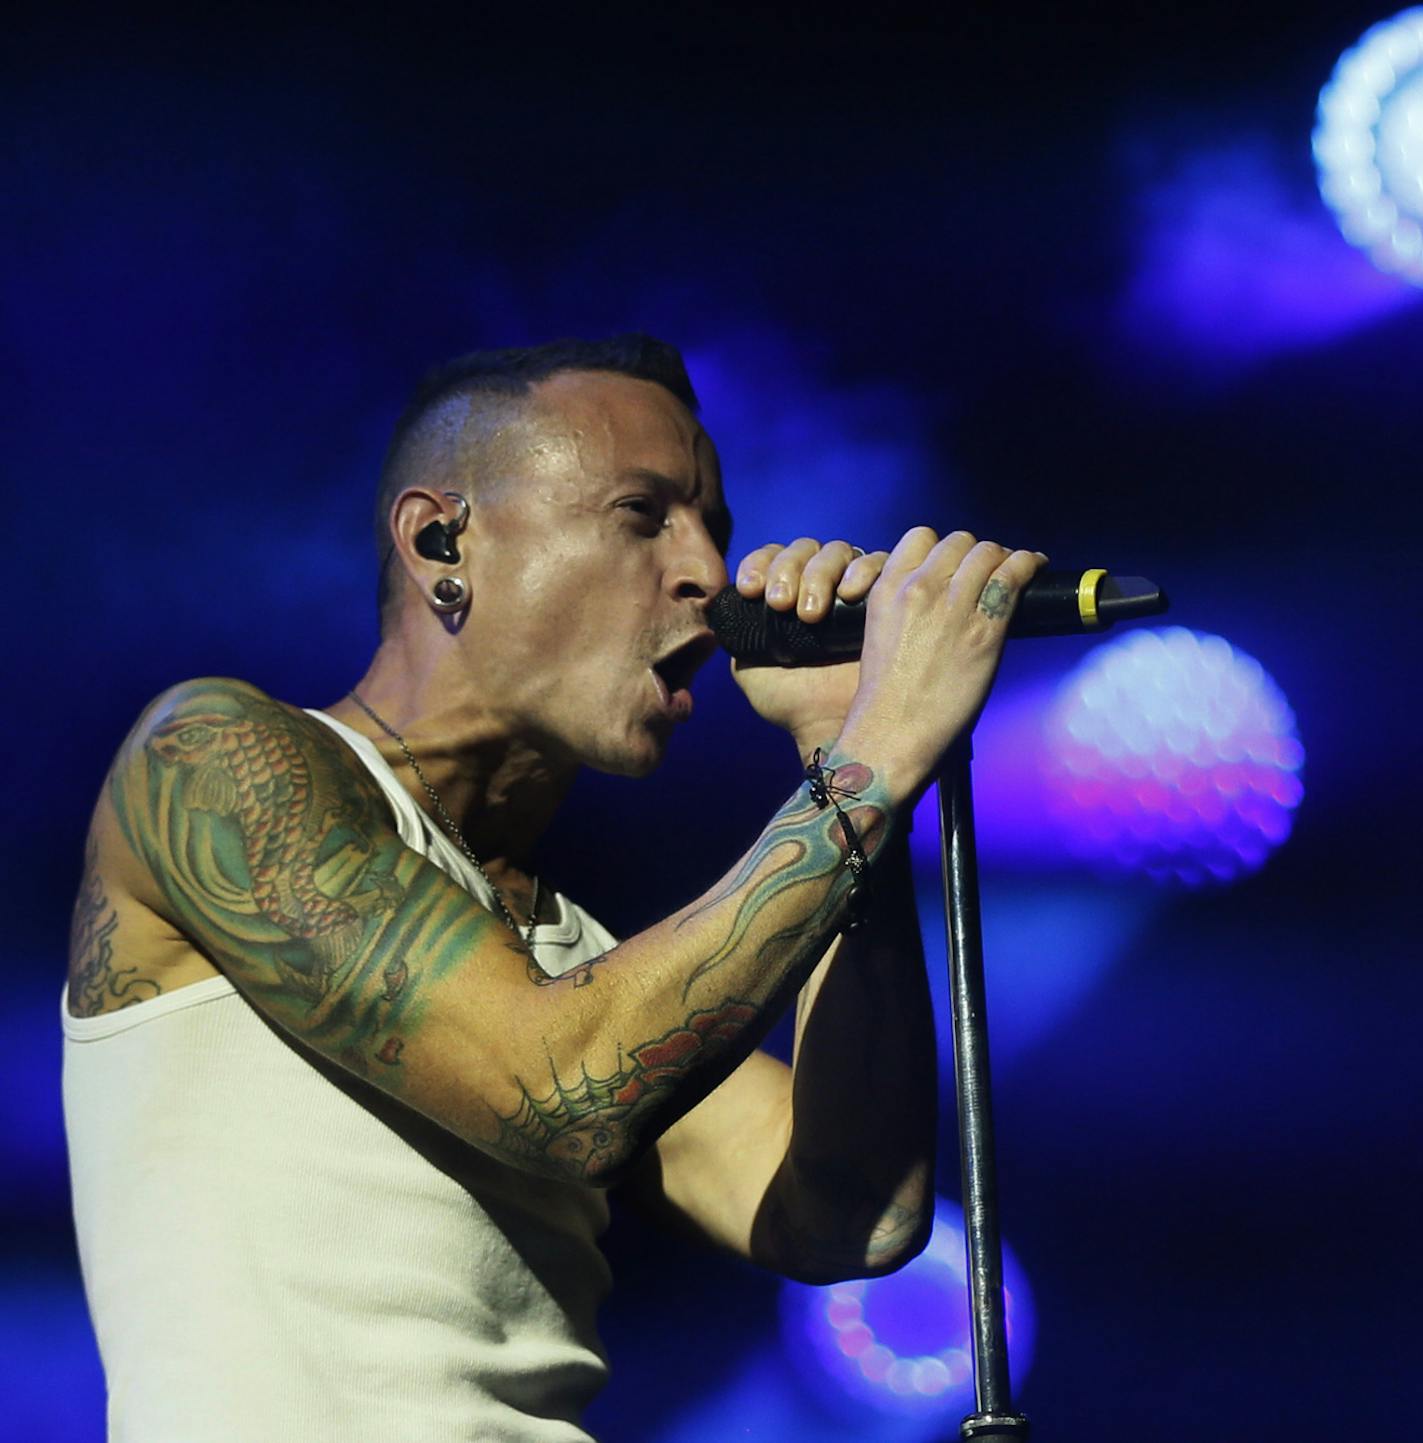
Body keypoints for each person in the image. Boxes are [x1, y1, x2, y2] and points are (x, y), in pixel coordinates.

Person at [61, 334, 1045, 1441]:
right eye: (644, 515)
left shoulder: (570, 960)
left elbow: (849, 1213)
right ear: (444, 541)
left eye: (714, 531)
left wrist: (840, 754)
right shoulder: (213, 761)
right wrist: (877, 760)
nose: (709, 575)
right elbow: (564, 1091)